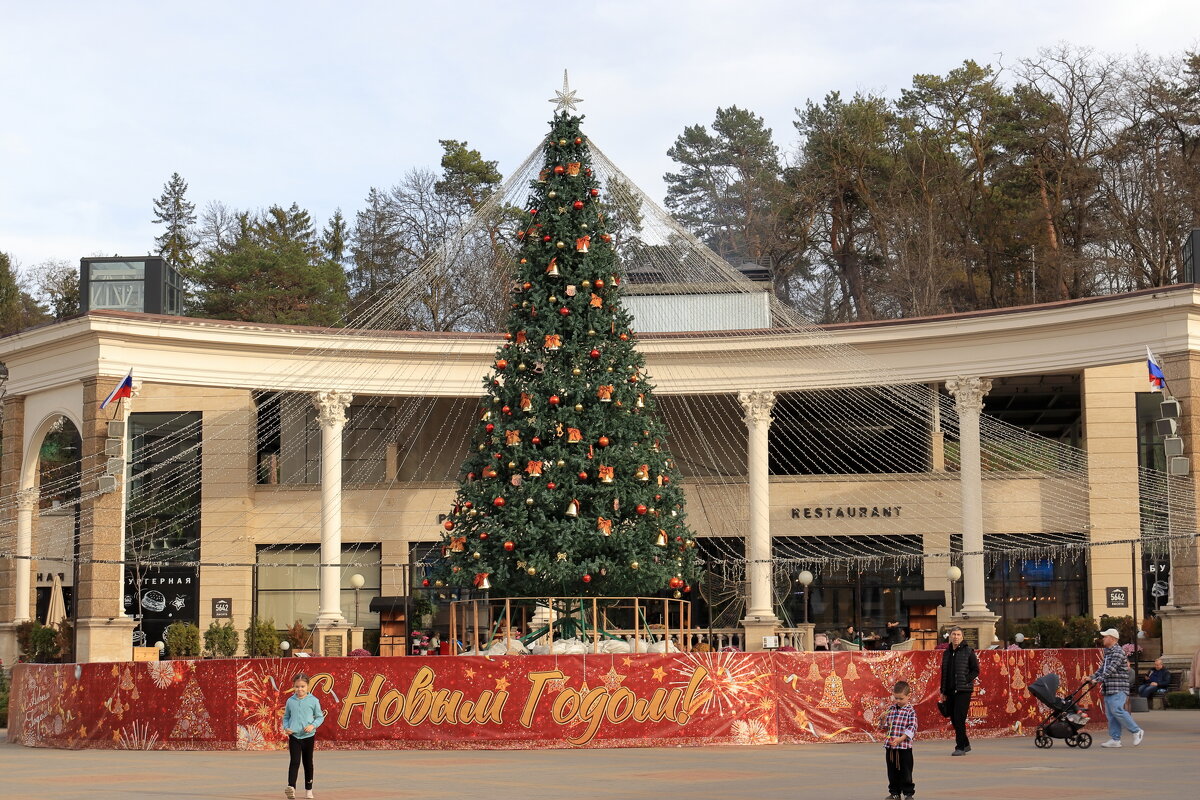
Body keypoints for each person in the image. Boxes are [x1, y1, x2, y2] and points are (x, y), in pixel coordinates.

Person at [1085, 628, 1144, 748]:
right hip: (1109, 687)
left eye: (1105, 637)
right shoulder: (1109, 652)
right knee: (1111, 714)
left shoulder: (1117, 652)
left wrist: (1097, 679)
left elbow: (1110, 669)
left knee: (1117, 710)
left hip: (1118, 687)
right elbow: (1102, 669)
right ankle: (1115, 739)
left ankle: (1136, 730)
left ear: (1112, 638)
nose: (1103, 639)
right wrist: (1091, 677)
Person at [282, 673, 326, 799]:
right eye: (297, 686)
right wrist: (286, 727)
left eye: (302, 686)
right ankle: (291, 787)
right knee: (294, 762)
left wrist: (313, 726)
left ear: (308, 686)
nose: (299, 689)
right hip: (294, 736)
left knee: (308, 763)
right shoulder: (290, 701)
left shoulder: (313, 700)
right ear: (293, 686)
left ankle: (308, 790)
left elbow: (320, 717)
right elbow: (286, 717)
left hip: (308, 736)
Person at [939, 625, 979, 756]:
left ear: (962, 637)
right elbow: (944, 673)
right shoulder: (946, 653)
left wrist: (965, 680)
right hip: (950, 691)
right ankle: (965, 743)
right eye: (953, 634)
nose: (956, 637)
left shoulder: (968, 651)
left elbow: (975, 670)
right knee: (954, 719)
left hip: (963, 691)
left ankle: (960, 747)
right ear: (950, 636)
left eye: (958, 635)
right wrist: (943, 691)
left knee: (959, 718)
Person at [878, 680, 917, 800]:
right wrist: (882, 719)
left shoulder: (910, 711)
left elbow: (912, 727)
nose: (898, 701)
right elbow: (884, 727)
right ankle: (894, 793)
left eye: (901, 698)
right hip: (891, 747)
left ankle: (908, 793)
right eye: (896, 698)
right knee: (892, 771)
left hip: (904, 748)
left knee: (906, 771)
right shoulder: (891, 709)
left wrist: (901, 739)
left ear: (908, 696)